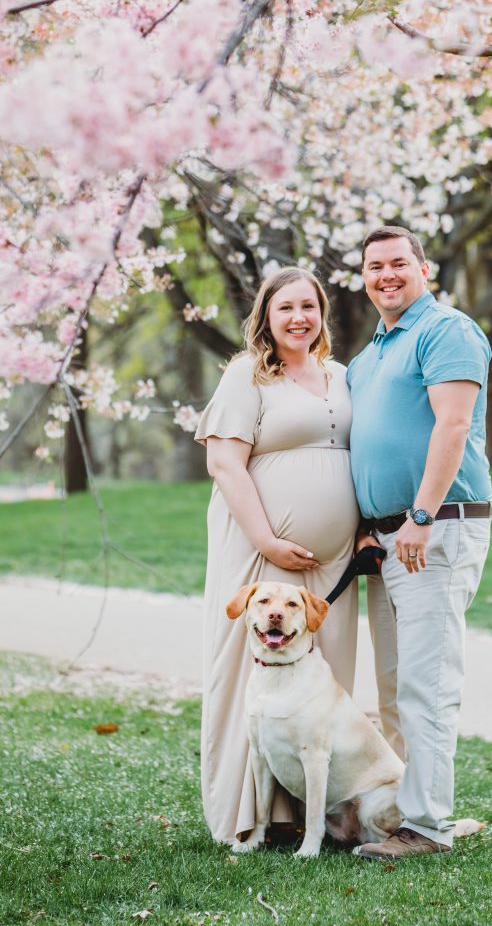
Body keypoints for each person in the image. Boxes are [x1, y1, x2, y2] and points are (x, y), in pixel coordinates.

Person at [194, 267, 359, 845]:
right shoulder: (247, 375)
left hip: (334, 562)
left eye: (309, 307)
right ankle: (247, 818)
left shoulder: (340, 375)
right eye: (285, 307)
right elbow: (223, 464)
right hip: (259, 553)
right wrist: (267, 540)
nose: (298, 319)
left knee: (325, 682)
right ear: (265, 315)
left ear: (322, 314)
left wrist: (361, 531)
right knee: (250, 677)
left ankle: (318, 819)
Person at [347, 225, 492, 861]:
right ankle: (412, 812)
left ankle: (427, 828)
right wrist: (367, 523)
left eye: (398, 263)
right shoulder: (369, 353)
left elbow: (453, 423)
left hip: (434, 528)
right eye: (375, 266)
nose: (387, 275)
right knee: (393, 686)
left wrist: (422, 515)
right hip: (386, 541)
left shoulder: (446, 330)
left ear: (424, 268)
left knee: (427, 683)